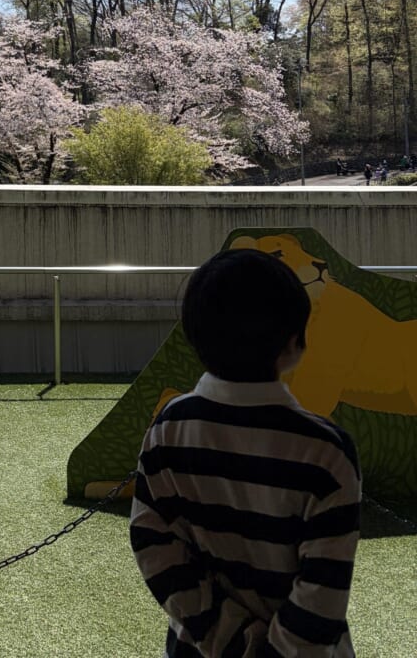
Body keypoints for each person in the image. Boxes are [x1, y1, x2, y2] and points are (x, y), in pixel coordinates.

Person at [130, 249, 361, 657]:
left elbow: (154, 545)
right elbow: (322, 591)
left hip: (198, 648)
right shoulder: (326, 450)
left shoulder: (168, 428)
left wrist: (230, 637)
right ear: (293, 342)